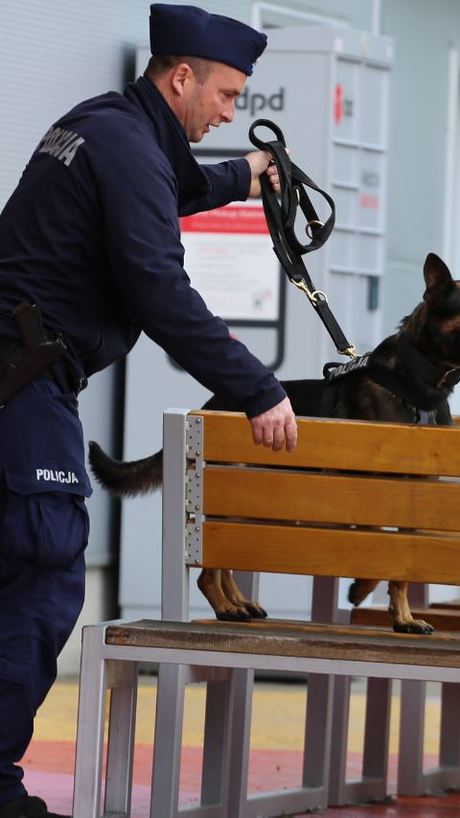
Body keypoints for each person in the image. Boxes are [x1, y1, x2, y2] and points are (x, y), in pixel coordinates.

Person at [0, 6, 299, 816]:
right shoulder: (131, 149)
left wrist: (251, 174)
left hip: (22, 373)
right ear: (180, 78)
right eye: (227, 96)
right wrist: (258, 388)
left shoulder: (104, 125)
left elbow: (180, 182)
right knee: (45, 562)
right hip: (22, 381)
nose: (231, 113)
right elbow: (160, 290)